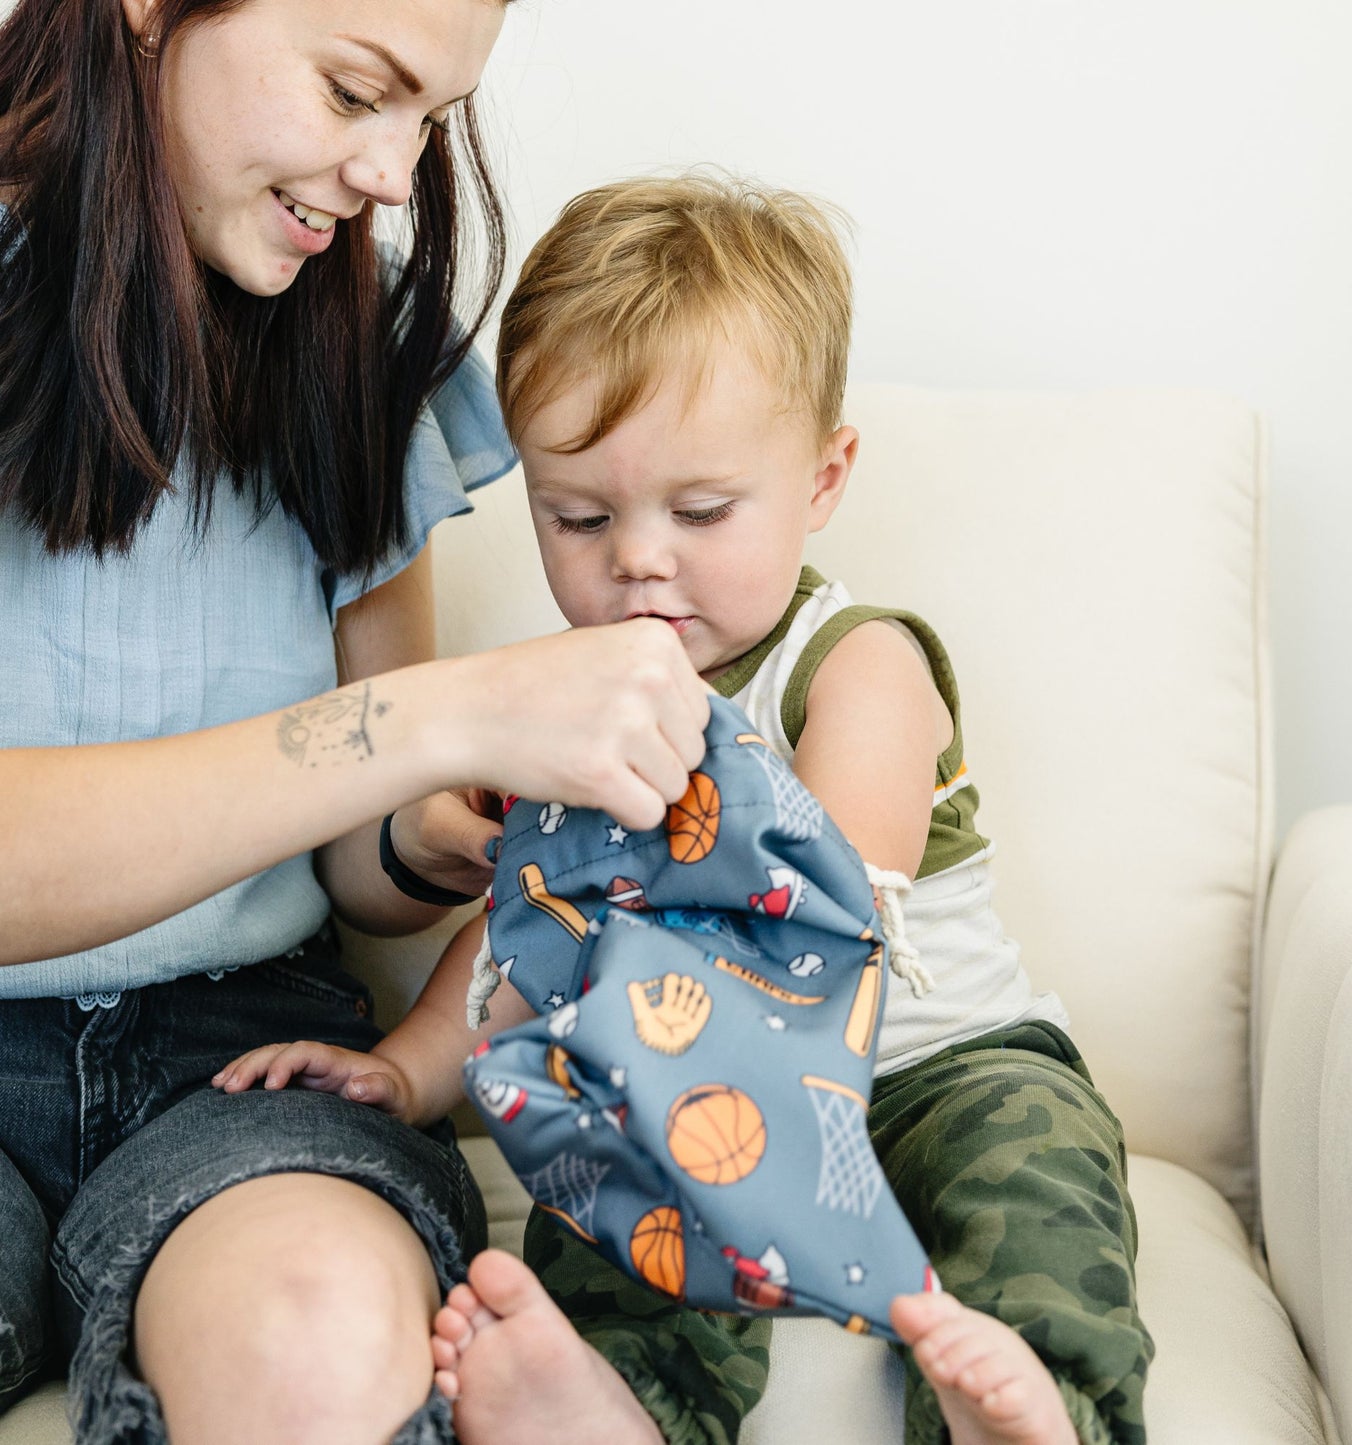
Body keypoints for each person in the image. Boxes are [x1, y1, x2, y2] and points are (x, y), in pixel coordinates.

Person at [218, 173, 1154, 1445]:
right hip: (698, 1080)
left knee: (1037, 1192)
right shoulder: (557, 711)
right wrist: (407, 1069)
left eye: (700, 512)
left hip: (940, 1064)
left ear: (821, 481)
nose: (639, 559)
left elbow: (829, 909)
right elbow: (509, 930)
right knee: (625, 1184)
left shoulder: (853, 661)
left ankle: (1039, 1411)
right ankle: (613, 1402)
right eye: (580, 516)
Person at [0, 2, 712, 1441]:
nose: (393, 173)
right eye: (353, 90)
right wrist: (442, 715)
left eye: (429, 119)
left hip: (246, 1064)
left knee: (313, 1328)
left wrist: (433, 834)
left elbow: (354, 855)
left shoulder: (361, 339)